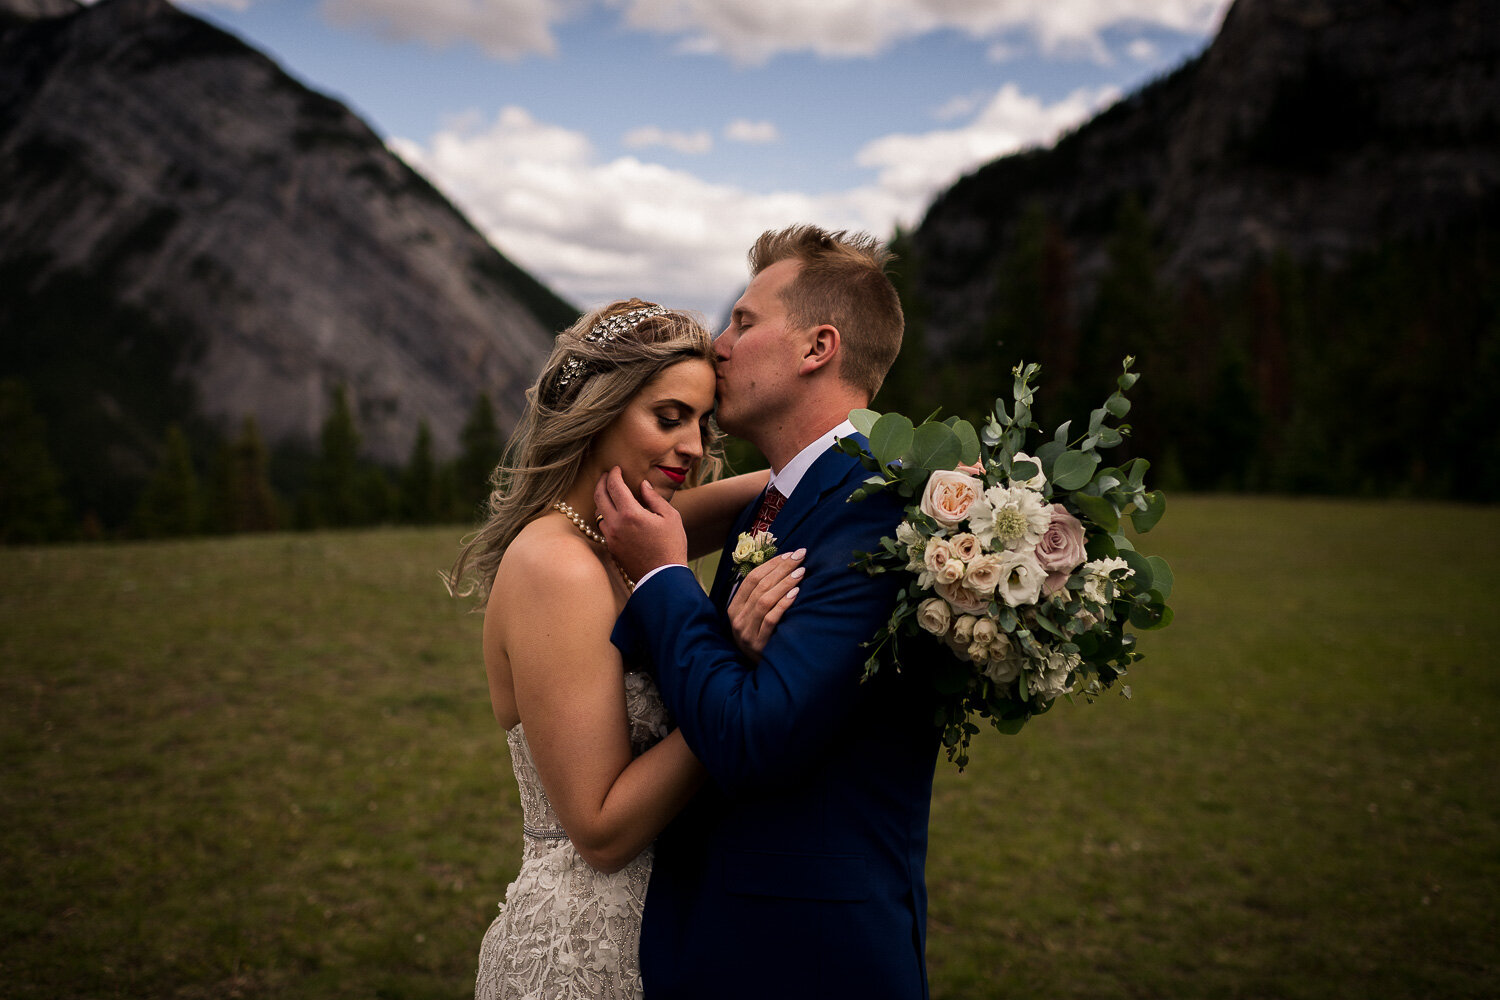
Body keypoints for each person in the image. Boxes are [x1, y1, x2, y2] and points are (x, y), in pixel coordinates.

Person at [596, 226, 942, 999]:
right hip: (737, 937)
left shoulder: (872, 504)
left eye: (745, 323)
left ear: (817, 348)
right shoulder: (796, 492)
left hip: (807, 955)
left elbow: (755, 741)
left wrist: (662, 575)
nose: (719, 345)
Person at [448, 300, 788, 1000]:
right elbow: (600, 831)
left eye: (701, 422)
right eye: (668, 418)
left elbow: (783, 484)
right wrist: (735, 672)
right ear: (598, 411)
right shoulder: (560, 567)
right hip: (581, 956)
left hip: (659, 939)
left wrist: (900, 466)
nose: (693, 446)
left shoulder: (618, 535)